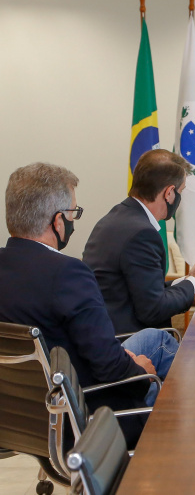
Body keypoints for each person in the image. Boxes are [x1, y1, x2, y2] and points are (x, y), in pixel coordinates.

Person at [0, 163, 178, 446]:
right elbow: (110, 369)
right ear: (58, 221)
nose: (73, 221)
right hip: (87, 415)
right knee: (173, 386)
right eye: (73, 213)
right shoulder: (67, 273)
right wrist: (141, 372)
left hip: (24, 416)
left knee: (156, 339)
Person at [83, 149, 195, 334]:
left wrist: (189, 280)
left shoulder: (115, 218)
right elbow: (153, 310)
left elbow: (142, 289)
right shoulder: (141, 234)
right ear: (170, 193)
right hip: (128, 344)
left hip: (105, 335)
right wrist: (194, 283)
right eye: (181, 191)